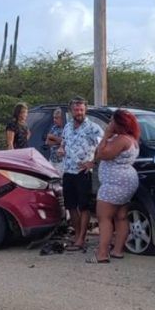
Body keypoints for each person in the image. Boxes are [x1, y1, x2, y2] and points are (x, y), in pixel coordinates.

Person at [87, 110, 140, 264]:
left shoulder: (121, 140)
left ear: (119, 123)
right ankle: (118, 250)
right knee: (121, 216)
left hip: (114, 183)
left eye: (111, 121)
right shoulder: (132, 139)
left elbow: (101, 154)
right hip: (127, 181)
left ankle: (102, 254)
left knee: (104, 218)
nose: (109, 124)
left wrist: (106, 135)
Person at [59, 97, 103, 252]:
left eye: (81, 110)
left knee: (83, 206)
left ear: (85, 110)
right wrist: (61, 149)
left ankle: (82, 239)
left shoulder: (93, 128)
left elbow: (103, 146)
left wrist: (93, 162)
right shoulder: (67, 127)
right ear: (71, 111)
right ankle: (77, 235)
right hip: (68, 170)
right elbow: (63, 142)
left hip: (83, 172)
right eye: (76, 110)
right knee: (71, 205)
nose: (78, 113)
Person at [43, 108, 66, 173]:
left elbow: (65, 142)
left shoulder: (66, 128)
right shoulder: (54, 128)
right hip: (52, 159)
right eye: (54, 118)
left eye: (56, 118)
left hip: (61, 161)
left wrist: (53, 137)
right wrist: (59, 141)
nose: (54, 120)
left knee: (60, 180)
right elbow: (47, 142)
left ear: (62, 118)